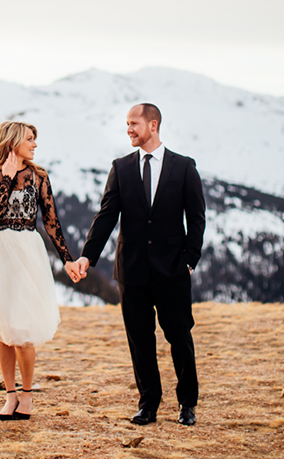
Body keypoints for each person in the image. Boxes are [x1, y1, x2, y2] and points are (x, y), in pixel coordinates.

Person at [77, 103, 207, 426]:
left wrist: (189, 260)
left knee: (179, 336)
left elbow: (197, 218)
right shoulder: (120, 168)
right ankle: (148, 404)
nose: (129, 130)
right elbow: (106, 216)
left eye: (133, 123)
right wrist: (87, 256)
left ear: (153, 125)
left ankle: (187, 403)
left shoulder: (184, 167)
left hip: (173, 270)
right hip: (131, 271)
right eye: (126, 124)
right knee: (140, 339)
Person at [0, 121, 82, 421]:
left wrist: (68, 259)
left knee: (24, 330)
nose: (35, 145)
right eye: (30, 139)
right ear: (14, 140)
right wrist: (6, 180)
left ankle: (28, 394)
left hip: (28, 252)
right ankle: (10, 395)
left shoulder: (38, 176)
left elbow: (51, 221)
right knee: (3, 327)